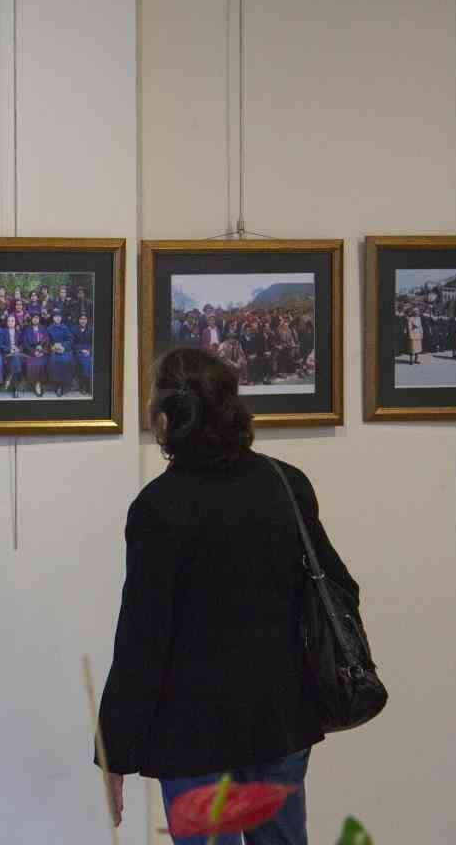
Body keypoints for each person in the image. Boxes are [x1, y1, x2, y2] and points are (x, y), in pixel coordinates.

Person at [98, 347, 359, 845]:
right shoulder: (286, 485)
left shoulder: (159, 507)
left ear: (165, 418)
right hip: (279, 718)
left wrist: (114, 748)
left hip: (191, 732)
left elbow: (142, 639)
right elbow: (340, 587)